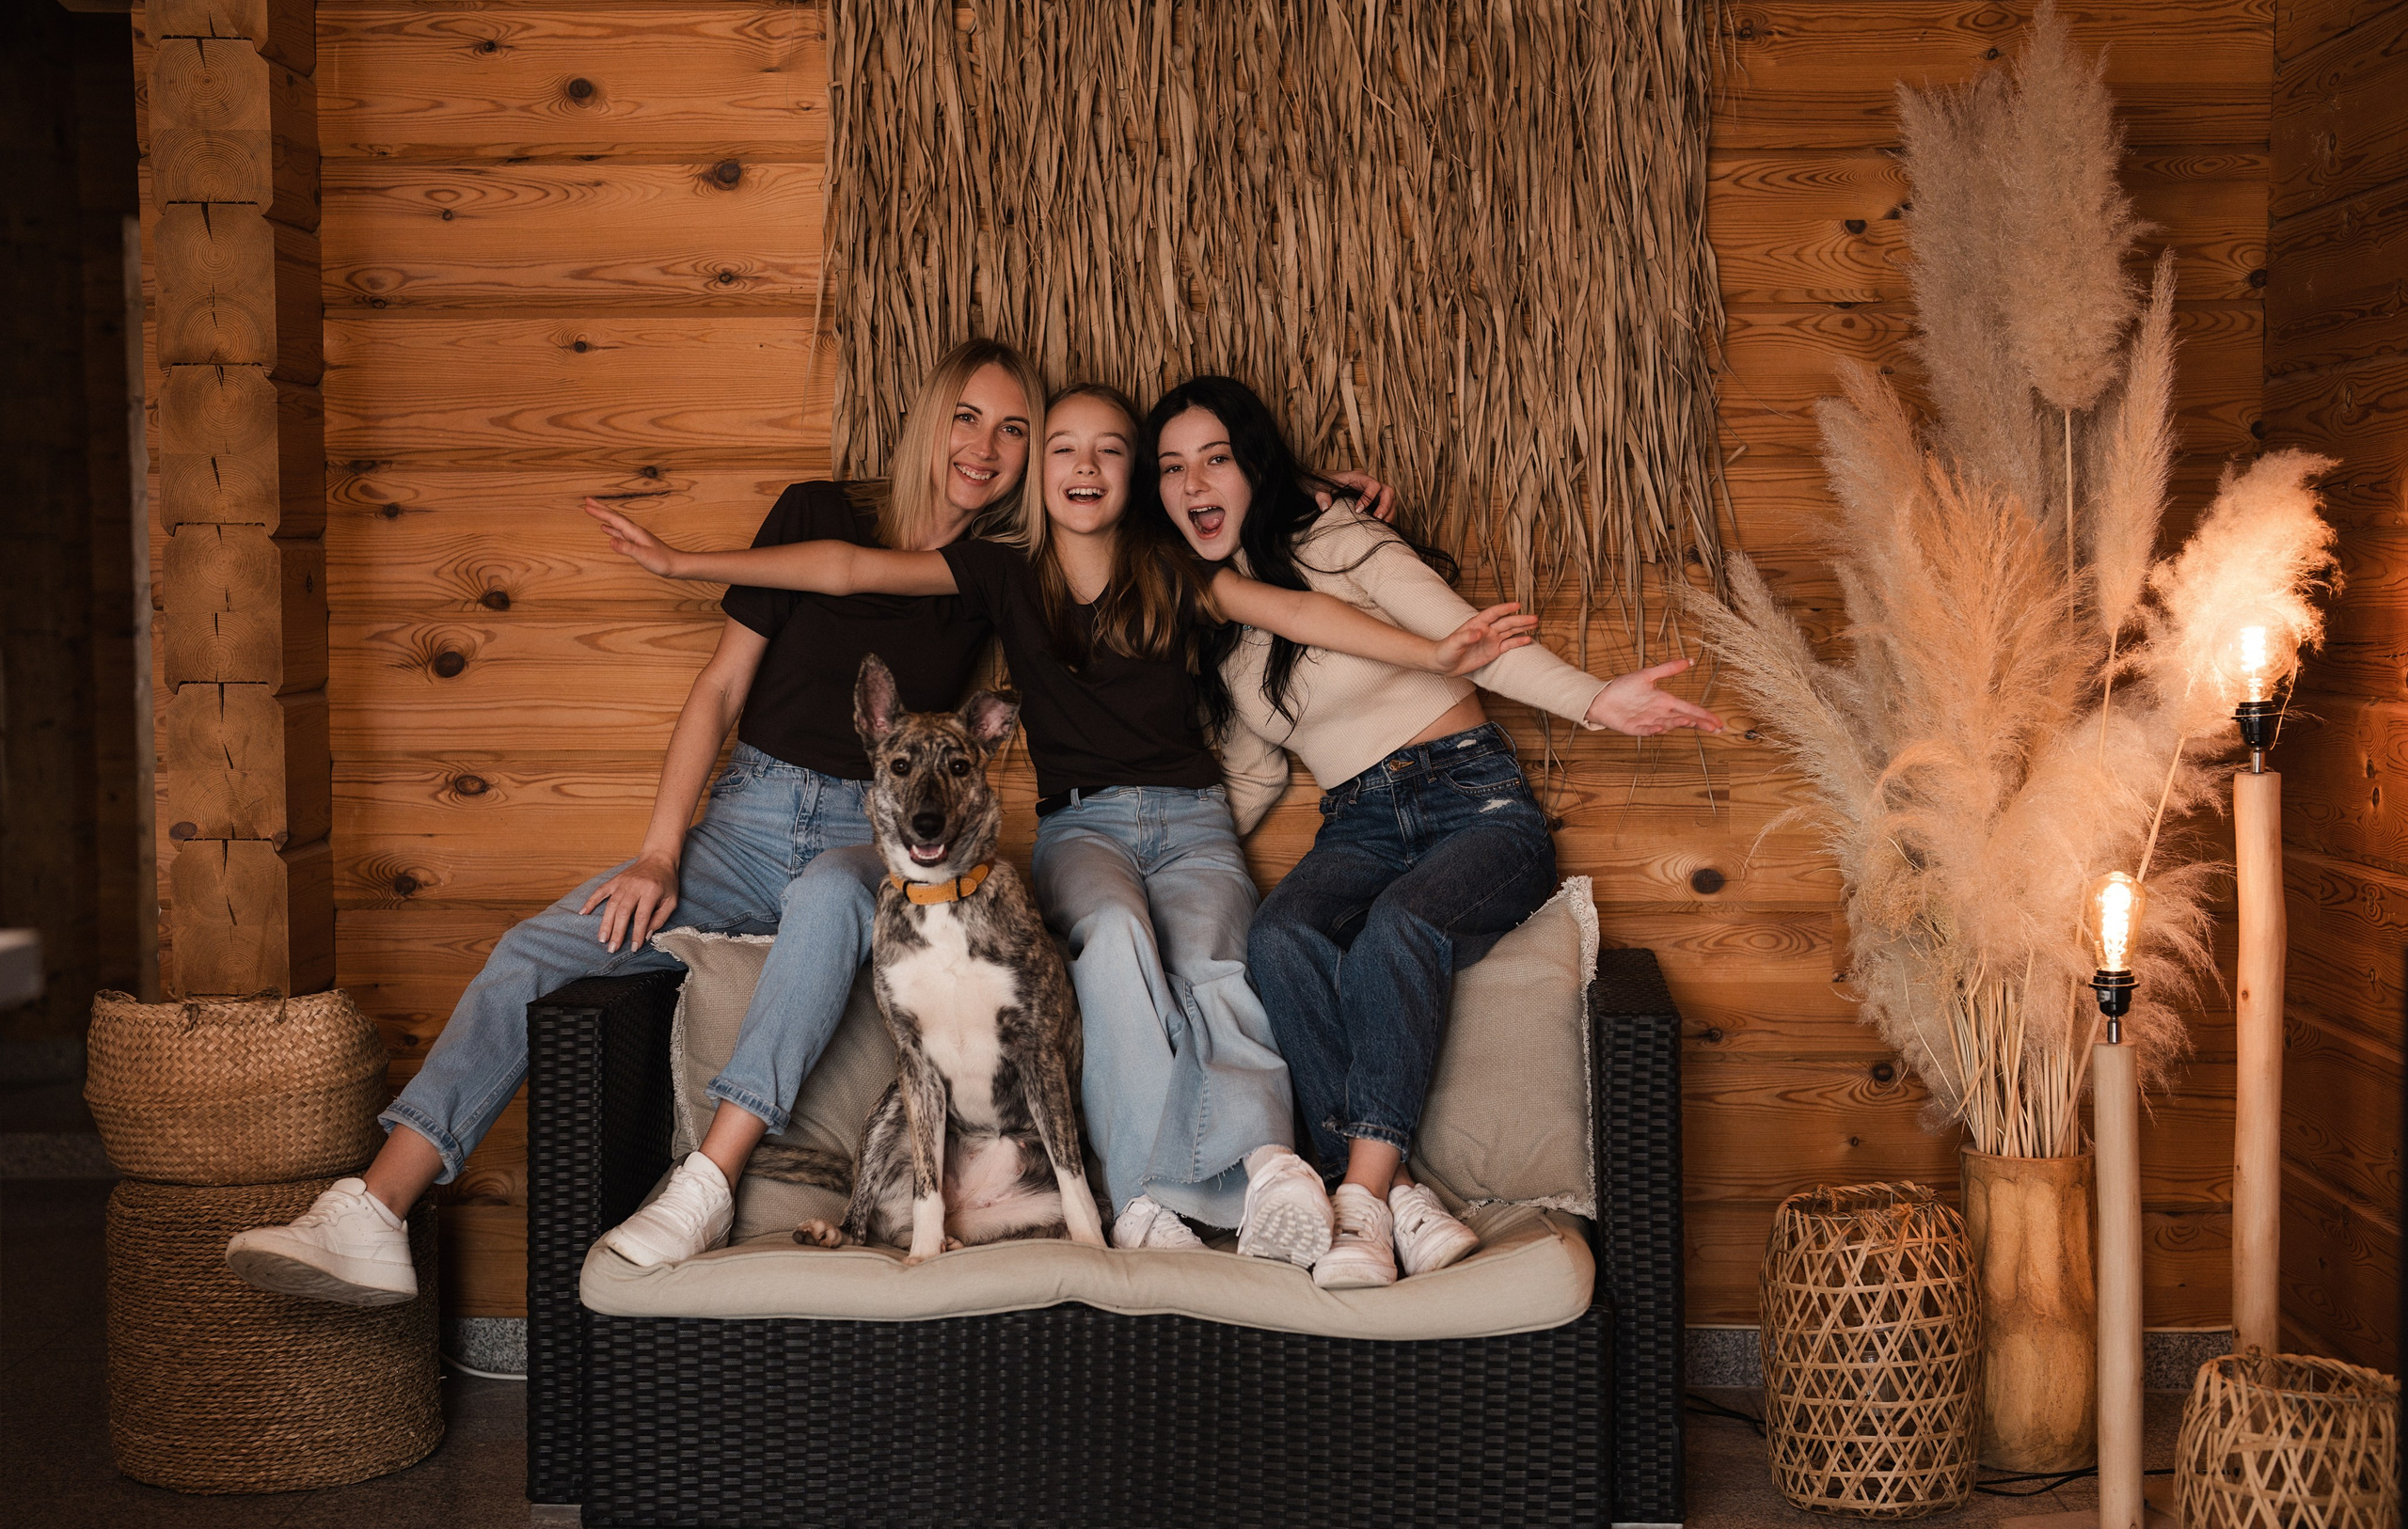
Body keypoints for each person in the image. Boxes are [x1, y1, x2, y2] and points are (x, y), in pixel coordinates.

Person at [593, 383, 1538, 1259]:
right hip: (1082, 828)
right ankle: (1147, 1197)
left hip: (1193, 818)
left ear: (1133, 479)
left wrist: (1432, 647)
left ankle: (1267, 1167)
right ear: (1041, 474)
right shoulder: (1003, 573)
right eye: (1064, 451)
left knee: (1220, 950)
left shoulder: (1169, 567)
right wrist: (686, 561)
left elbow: (1295, 610)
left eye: (1112, 452)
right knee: (1115, 939)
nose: (1086, 468)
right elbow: (843, 567)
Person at [225, 339, 1052, 1303]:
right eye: (967, 416)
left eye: (1013, 430)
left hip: (863, 836)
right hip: (741, 821)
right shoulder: (811, 508)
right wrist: (660, 854)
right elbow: (717, 691)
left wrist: (681, 561)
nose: (984, 447)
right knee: (535, 950)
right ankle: (373, 1211)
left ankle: (706, 1182)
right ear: (930, 417)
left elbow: (847, 575)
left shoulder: (989, 574)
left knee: (832, 897)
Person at [1148, 375, 1724, 1289]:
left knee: (1398, 931)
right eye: (1173, 467)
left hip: (1474, 801)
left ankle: (1360, 1204)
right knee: (1280, 935)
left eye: (1215, 458)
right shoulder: (1219, 630)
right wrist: (1157, 849)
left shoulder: (1338, 542)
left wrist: (1596, 701)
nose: (1194, 483)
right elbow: (1250, 776)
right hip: (1359, 821)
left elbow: (1470, 636)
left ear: (1253, 469)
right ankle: (1402, 1194)